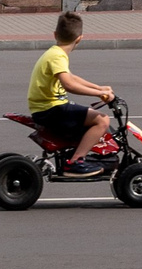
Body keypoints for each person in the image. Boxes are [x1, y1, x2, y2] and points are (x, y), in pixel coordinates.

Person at [26, 12, 116, 168]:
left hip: (48, 107)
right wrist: (100, 93)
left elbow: (71, 78)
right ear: (79, 38)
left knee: (89, 115)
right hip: (50, 110)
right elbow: (69, 85)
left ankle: (74, 152)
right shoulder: (57, 57)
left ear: (55, 34)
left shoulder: (54, 53)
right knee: (102, 120)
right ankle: (76, 161)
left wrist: (99, 87)